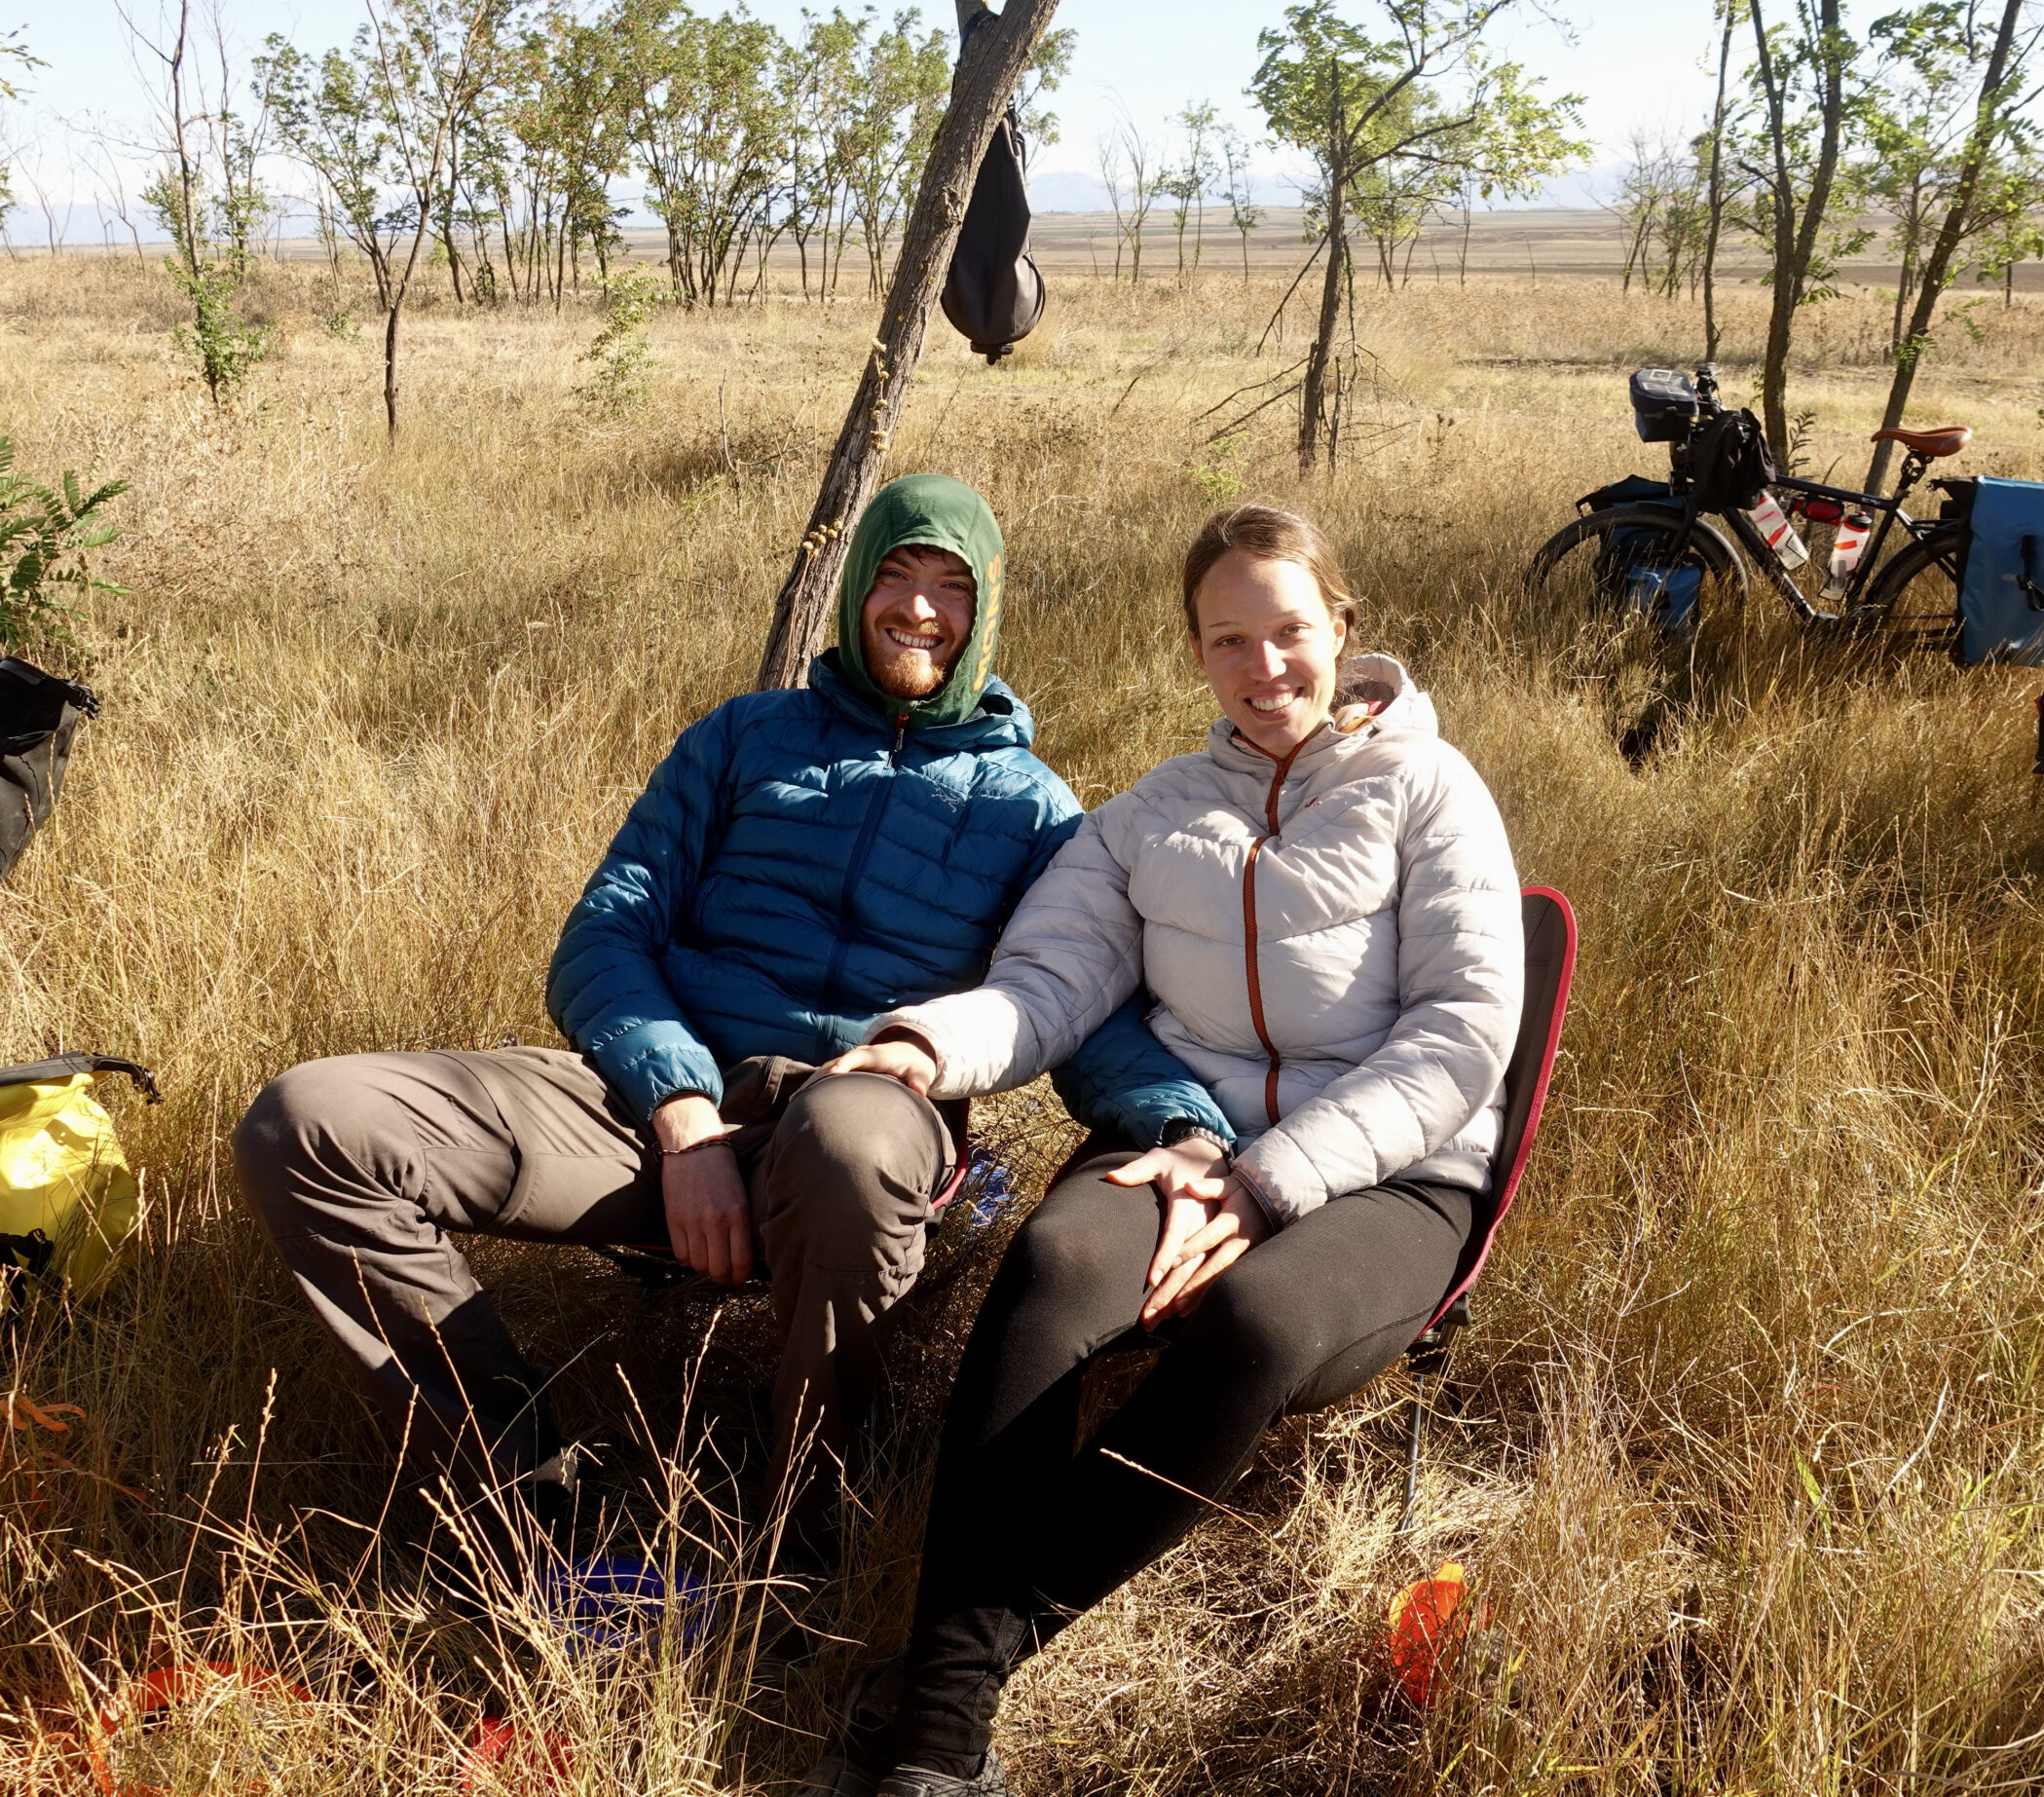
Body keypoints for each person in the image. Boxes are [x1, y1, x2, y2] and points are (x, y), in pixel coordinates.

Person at [230, 474, 1231, 1570]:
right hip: (658, 1093)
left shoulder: (1033, 808)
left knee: (850, 1138)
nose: (918, 608)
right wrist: (682, 1109)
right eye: (895, 573)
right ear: (855, 588)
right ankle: (515, 1500)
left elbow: (1074, 1002)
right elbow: (606, 933)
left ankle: (804, 1532)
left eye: (951, 585)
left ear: (985, 610)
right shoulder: (743, 738)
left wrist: (1186, 1128)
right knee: (308, 1119)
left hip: (866, 1111)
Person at [820, 503, 1526, 1797]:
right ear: (1196, 654)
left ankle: (942, 1680)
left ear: (1341, 626)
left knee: (1251, 1324)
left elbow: (1462, 1036)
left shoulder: (1432, 789)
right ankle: (945, 1749)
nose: (1266, 670)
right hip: (1185, 1141)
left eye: (1290, 631)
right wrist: (924, 1046)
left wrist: (1267, 1186)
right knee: (1052, 1264)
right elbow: (1046, 983)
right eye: (1229, 640)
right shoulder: (1152, 815)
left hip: (1391, 1172)